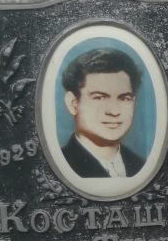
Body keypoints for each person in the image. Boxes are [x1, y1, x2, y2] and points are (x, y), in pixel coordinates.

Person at [60, 48, 146, 178]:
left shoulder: (142, 166)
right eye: (99, 97)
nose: (114, 111)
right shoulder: (61, 165)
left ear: (134, 101)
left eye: (124, 98)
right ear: (73, 103)